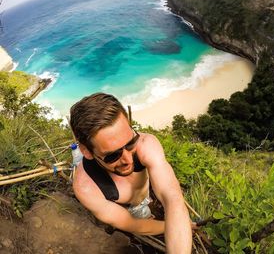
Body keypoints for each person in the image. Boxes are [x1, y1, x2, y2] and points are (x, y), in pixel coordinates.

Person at [70, 92, 192, 253]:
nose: (128, 159)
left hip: (143, 200)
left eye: (130, 143)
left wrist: (177, 224)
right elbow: (132, 224)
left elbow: (173, 198)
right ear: (87, 151)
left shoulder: (146, 144)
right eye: (113, 155)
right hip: (127, 211)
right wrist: (172, 226)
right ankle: (76, 160)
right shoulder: (87, 188)